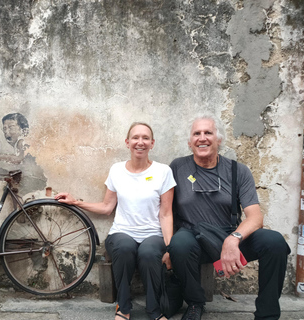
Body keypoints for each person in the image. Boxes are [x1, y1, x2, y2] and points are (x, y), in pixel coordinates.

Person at [168, 114, 291, 320]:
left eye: (208, 132)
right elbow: (166, 211)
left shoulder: (238, 171)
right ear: (190, 142)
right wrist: (166, 246)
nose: (202, 138)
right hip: (192, 239)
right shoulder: (177, 167)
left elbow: (255, 217)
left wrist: (234, 238)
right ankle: (195, 304)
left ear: (219, 139)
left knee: (275, 242)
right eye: (196, 133)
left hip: (228, 235)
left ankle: (267, 314)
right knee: (179, 243)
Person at [55, 122, 176, 320]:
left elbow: (166, 214)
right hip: (122, 232)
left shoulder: (163, 172)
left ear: (152, 143)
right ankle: (123, 307)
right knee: (124, 248)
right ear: (127, 142)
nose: (140, 142)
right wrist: (75, 202)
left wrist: (169, 248)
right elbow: (107, 207)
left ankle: (154, 310)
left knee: (148, 253)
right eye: (135, 138)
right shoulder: (117, 170)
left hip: (152, 234)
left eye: (145, 138)